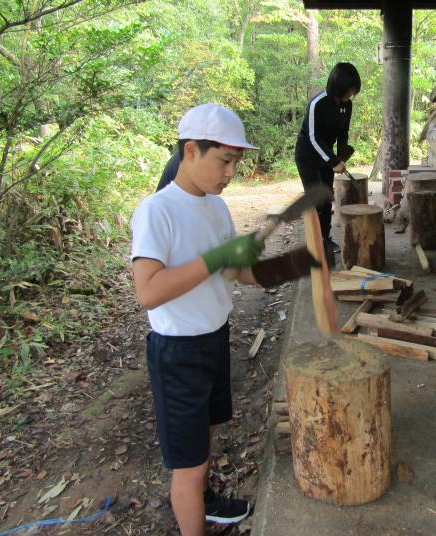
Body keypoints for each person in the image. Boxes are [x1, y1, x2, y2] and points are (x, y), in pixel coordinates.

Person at [131, 103, 318, 535]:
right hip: (178, 353)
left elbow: (235, 271)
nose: (231, 172)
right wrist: (217, 256)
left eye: (236, 162)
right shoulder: (157, 211)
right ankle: (194, 509)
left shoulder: (215, 206)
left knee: (207, 435)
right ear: (190, 150)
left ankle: (206, 501)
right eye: (225, 160)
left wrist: (291, 265)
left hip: (214, 339)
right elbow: (148, 291)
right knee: (189, 465)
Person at [295, 62, 361, 257]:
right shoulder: (318, 103)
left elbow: (343, 133)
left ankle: (325, 238)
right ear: (339, 85)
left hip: (327, 157)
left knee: (326, 200)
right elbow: (313, 137)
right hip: (307, 156)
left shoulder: (347, 105)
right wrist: (333, 162)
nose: (351, 94)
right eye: (350, 89)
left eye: (353, 90)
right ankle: (314, 243)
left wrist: (341, 157)